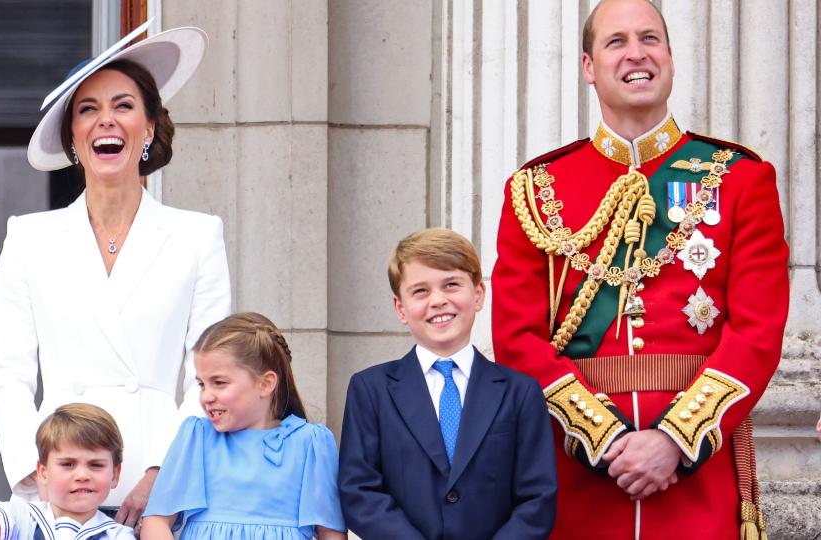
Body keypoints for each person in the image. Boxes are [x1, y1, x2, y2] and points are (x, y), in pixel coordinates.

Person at [491, 0, 789, 538]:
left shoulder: (741, 179)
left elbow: (757, 333)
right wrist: (606, 441)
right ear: (588, 66)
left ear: (671, 57)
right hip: (577, 477)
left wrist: (674, 440)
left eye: (650, 38)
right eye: (616, 41)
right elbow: (517, 338)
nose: (637, 53)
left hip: (696, 478)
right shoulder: (536, 190)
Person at [0, 22, 231, 529]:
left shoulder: (197, 235)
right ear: (72, 137)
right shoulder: (28, 237)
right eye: (88, 109)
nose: (106, 121)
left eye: (123, 106)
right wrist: (37, 478)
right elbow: (8, 376)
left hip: (160, 485)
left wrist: (167, 472)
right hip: (56, 481)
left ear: (148, 127)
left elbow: (211, 376)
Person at [339, 228, 557, 540]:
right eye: (420, 291)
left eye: (451, 285)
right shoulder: (371, 390)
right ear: (400, 308)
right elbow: (359, 491)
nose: (438, 301)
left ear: (478, 294)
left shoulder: (520, 392)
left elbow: (538, 498)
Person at [140, 312, 347, 540]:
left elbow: (331, 533)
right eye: (201, 384)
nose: (206, 396)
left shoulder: (310, 443)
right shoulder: (196, 437)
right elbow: (157, 521)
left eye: (219, 383)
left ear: (265, 384)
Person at [0, 398, 134, 539]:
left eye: (96, 465)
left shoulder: (118, 535)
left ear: (115, 474)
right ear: (43, 472)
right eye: (67, 464)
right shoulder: (23, 519)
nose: (82, 475)